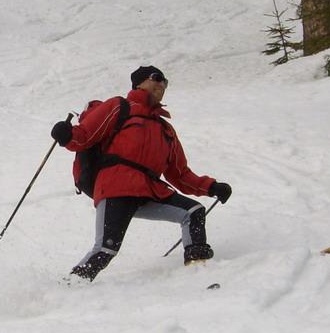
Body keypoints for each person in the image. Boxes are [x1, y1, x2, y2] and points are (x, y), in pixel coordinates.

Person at [51, 65, 232, 281]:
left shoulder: (165, 129)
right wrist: (67, 135)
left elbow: (180, 174)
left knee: (193, 212)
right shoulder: (119, 107)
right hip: (117, 187)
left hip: (149, 192)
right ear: (139, 83)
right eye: (157, 78)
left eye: (165, 82)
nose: (161, 84)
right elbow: (85, 136)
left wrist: (211, 187)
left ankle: (198, 271)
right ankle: (69, 286)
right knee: (106, 249)